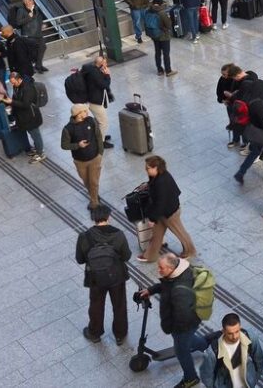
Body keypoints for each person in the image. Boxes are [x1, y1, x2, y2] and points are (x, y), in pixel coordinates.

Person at [136, 253, 206, 387]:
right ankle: (208, 345)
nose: (159, 270)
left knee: (181, 351)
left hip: (184, 325)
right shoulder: (178, 272)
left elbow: (183, 316)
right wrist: (151, 290)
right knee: (189, 339)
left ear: (171, 268)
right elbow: (165, 285)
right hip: (189, 321)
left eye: (161, 268)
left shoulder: (179, 291)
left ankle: (191, 378)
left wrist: (171, 328)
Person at [75, 205, 131, 344]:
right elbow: (126, 256)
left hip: (95, 278)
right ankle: (120, 335)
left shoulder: (84, 236)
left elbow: (80, 259)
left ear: (93, 218)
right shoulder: (119, 234)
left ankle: (94, 333)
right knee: (119, 305)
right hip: (116, 276)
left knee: (96, 305)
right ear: (108, 217)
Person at [139, 156, 198, 261]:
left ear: (156, 167)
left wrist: (152, 219)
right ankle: (150, 256)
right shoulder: (161, 175)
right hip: (164, 212)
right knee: (157, 234)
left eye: (148, 168)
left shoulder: (161, 181)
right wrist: (148, 185)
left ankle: (190, 251)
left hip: (170, 213)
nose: (146, 170)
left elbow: (160, 203)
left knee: (180, 233)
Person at [199, 313, 263, 388]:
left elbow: (259, 360)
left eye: (237, 331)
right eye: (230, 333)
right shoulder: (213, 352)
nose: (234, 337)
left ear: (240, 327)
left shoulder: (250, 338)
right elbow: (207, 376)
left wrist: (254, 379)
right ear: (223, 331)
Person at [61, 104, 105, 209]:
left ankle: (94, 204)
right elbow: (64, 145)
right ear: (78, 114)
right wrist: (77, 145)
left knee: (93, 182)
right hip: (80, 161)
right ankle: (94, 195)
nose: (87, 112)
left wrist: (100, 153)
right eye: (84, 111)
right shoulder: (68, 129)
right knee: (86, 182)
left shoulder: (91, 121)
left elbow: (98, 136)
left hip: (94, 158)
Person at [4, 71, 45, 162]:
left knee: (35, 134)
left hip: (31, 116)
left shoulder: (27, 88)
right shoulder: (17, 86)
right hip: (24, 116)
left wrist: (12, 102)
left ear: (19, 79)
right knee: (32, 134)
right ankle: (37, 149)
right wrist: (12, 106)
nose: (12, 84)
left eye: (14, 82)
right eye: (11, 83)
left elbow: (26, 104)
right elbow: (16, 98)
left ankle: (40, 153)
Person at [9, 0, 48, 73]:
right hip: (28, 35)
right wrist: (28, 17)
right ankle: (31, 67)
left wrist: (43, 24)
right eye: (30, 0)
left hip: (38, 33)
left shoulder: (36, 8)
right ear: (25, 2)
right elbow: (19, 22)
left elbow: (39, 18)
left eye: (32, 0)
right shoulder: (21, 10)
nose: (32, 1)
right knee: (31, 52)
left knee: (43, 47)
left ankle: (38, 65)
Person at [147, 0, 177, 76]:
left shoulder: (149, 10)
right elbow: (168, 25)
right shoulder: (162, 13)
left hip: (154, 35)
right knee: (166, 54)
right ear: (160, 3)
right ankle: (168, 71)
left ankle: (159, 70)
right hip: (164, 36)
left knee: (157, 53)